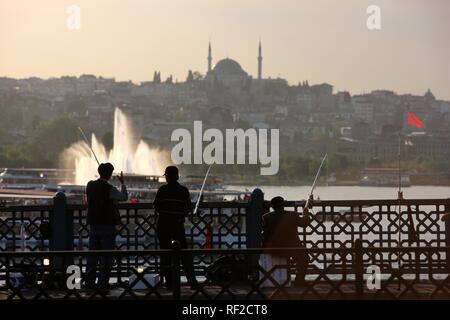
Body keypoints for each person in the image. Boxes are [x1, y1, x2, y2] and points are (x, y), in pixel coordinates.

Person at [154, 166, 198, 290]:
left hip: (163, 225)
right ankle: (192, 281)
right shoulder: (184, 190)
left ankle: (169, 284)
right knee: (184, 254)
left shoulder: (162, 190)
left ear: (167, 177)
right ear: (177, 177)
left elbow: (156, 206)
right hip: (178, 226)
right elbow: (188, 207)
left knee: (166, 255)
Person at [84, 163, 128, 290]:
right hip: (107, 226)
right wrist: (123, 183)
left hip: (93, 225)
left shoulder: (90, 185)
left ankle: (89, 284)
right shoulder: (110, 189)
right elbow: (124, 197)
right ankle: (102, 284)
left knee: (92, 257)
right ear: (109, 174)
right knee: (107, 257)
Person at [261, 196, 311, 288]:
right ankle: (299, 281)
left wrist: (263, 249)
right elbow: (304, 223)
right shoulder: (293, 215)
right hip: (292, 248)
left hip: (275, 249)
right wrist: (306, 213)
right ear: (283, 205)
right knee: (305, 258)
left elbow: (265, 235)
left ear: (272, 206)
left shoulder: (266, 217)